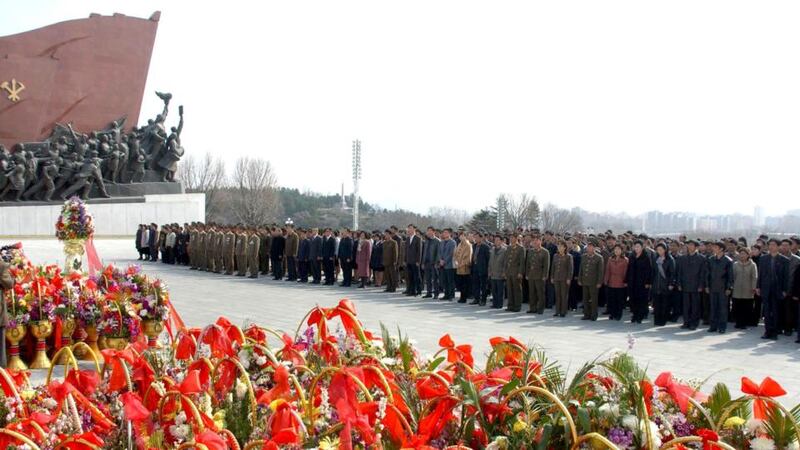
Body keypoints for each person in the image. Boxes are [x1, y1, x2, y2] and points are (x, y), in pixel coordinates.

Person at [757, 239, 789, 340]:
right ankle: (767, 331)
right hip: (766, 288)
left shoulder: (784, 260)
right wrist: (758, 287)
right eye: (769, 244)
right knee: (766, 311)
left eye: (774, 245)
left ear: (778, 246)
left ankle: (775, 332)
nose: (771, 247)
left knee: (775, 311)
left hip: (777, 289)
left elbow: (786, 277)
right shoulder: (763, 259)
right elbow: (760, 274)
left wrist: (785, 290)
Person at [677, 240, 707, 330]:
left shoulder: (701, 258)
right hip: (685, 285)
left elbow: (703, 273)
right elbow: (679, 272)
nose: (689, 246)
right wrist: (679, 283)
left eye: (691, 245)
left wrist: (701, 285)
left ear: (696, 247)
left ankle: (694, 323)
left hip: (696, 286)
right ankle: (686, 322)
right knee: (686, 305)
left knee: (695, 306)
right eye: (688, 245)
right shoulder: (683, 258)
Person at [706, 241, 733, 333]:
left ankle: (722, 327)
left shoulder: (728, 261)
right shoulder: (711, 259)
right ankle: (713, 326)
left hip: (723, 288)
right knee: (713, 307)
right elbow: (708, 274)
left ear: (721, 249)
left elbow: (730, 276)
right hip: (713, 286)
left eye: (715, 247)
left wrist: (729, 288)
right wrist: (707, 285)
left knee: (723, 308)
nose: (713, 248)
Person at [626, 241, 653, 324]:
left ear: (642, 247)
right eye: (635, 246)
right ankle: (634, 314)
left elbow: (649, 270)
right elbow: (629, 269)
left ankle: (640, 316)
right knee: (633, 299)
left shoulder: (646, 257)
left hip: (642, 282)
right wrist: (626, 280)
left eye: (638, 246)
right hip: (632, 281)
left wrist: (648, 282)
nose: (636, 248)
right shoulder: (632, 256)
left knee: (641, 300)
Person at [732, 247, 758, 330]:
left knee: (746, 307)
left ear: (748, 255)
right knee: (737, 306)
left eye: (744, 254)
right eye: (740, 254)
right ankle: (738, 322)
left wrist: (754, 287)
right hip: (737, 289)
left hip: (748, 289)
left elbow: (755, 277)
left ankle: (744, 322)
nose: (742, 255)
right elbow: (733, 277)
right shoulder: (735, 264)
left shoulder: (752, 265)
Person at [578, 241, 604, 321]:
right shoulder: (584, 256)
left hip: (594, 282)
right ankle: (586, 314)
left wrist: (599, 282)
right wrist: (580, 279)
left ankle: (594, 315)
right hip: (585, 281)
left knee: (593, 300)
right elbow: (581, 269)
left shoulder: (599, 258)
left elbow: (600, 271)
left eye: (591, 246)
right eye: (588, 246)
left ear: (594, 248)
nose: (589, 248)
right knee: (585, 299)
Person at [651, 243, 676, 326]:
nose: (659, 251)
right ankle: (657, 320)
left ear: (665, 250)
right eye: (658, 250)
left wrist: (671, 283)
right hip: (656, 284)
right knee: (657, 304)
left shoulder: (670, 259)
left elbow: (673, 273)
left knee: (665, 304)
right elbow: (653, 272)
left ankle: (663, 320)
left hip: (665, 285)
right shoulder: (656, 258)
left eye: (661, 250)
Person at [525, 235, 550, 314]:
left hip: (540, 276)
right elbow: (528, 264)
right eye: (534, 240)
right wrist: (527, 273)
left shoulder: (545, 252)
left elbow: (546, 265)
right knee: (532, 293)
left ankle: (540, 308)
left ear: (540, 241)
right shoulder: (530, 251)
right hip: (531, 275)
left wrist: (544, 275)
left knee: (540, 293)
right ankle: (532, 308)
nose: (535, 242)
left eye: (537, 240)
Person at [603, 244, 628, 321]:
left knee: (619, 300)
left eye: (618, 249)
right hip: (611, 281)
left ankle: (618, 314)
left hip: (620, 282)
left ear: (622, 250)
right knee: (612, 299)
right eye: (615, 249)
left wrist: (625, 281)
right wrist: (606, 280)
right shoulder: (610, 259)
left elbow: (626, 272)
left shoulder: (625, 260)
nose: (616, 250)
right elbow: (607, 270)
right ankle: (612, 313)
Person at [551, 240, 573, 317]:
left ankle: (563, 311)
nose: (559, 248)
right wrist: (552, 277)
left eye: (561, 246)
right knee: (557, 295)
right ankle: (557, 311)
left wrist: (569, 278)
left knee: (564, 295)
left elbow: (570, 269)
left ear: (564, 247)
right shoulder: (555, 256)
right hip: (556, 278)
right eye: (558, 246)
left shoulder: (568, 256)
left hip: (564, 279)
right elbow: (553, 267)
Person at [504, 234, 526, 312]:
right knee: (509, 289)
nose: (511, 239)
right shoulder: (508, 248)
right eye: (510, 237)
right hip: (509, 271)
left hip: (516, 272)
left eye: (513, 237)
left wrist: (520, 272)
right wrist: (505, 271)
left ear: (516, 239)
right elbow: (506, 261)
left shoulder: (520, 248)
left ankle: (517, 306)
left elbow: (522, 262)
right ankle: (510, 305)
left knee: (517, 289)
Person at [471, 232, 490, 306]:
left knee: (483, 286)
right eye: (475, 237)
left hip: (483, 269)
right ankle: (476, 298)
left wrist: (487, 270)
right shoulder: (474, 246)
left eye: (477, 237)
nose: (476, 239)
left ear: (481, 238)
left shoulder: (486, 247)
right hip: (475, 267)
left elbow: (488, 259)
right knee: (475, 284)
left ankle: (483, 300)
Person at [488, 235, 507, 309]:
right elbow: (490, 261)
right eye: (495, 240)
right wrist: (489, 271)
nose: (496, 241)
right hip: (493, 272)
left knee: (500, 290)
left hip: (500, 273)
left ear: (502, 241)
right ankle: (494, 303)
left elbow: (505, 262)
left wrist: (504, 272)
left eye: (498, 240)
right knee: (494, 290)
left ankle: (499, 304)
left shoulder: (504, 250)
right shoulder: (492, 250)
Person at [454, 232, 473, 303]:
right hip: (459, 267)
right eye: (460, 236)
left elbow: (468, 257)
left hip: (465, 268)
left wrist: (461, 264)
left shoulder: (468, 245)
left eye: (462, 236)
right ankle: (461, 297)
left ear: (465, 236)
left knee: (465, 283)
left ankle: (464, 297)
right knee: (460, 283)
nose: (461, 237)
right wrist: (456, 261)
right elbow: (455, 254)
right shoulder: (459, 244)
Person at [438, 228, 457, 300]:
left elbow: (451, 254)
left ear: (450, 234)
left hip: (449, 264)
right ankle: (446, 294)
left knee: (450, 281)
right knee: (444, 280)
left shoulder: (453, 242)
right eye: (443, 232)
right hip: (442, 264)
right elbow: (439, 252)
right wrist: (440, 260)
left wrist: (445, 261)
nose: (444, 234)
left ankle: (451, 295)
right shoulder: (442, 242)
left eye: (446, 232)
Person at [404, 224, 422, 296]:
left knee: (417, 276)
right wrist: (405, 260)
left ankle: (419, 290)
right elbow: (406, 250)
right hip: (409, 261)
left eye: (411, 228)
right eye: (408, 228)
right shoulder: (408, 238)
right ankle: (412, 291)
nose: (409, 230)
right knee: (410, 276)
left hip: (415, 261)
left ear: (414, 229)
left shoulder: (418, 238)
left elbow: (419, 251)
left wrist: (418, 261)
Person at [422, 227, 440, 299]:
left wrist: (436, 262)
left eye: (430, 231)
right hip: (426, 262)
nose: (428, 232)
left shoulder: (437, 241)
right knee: (428, 279)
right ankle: (429, 293)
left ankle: (436, 293)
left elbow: (438, 253)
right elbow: (424, 252)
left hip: (434, 263)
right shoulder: (426, 241)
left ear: (434, 232)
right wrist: (423, 262)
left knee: (435, 279)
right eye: (427, 231)